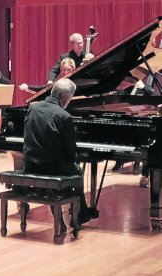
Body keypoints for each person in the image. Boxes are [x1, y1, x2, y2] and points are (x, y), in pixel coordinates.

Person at [22, 78, 99, 230]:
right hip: (52, 167)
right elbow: (70, 153)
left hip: (30, 164)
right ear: (65, 97)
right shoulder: (64, 116)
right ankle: (79, 214)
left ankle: (69, 217)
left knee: (67, 166)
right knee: (76, 169)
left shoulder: (33, 108)